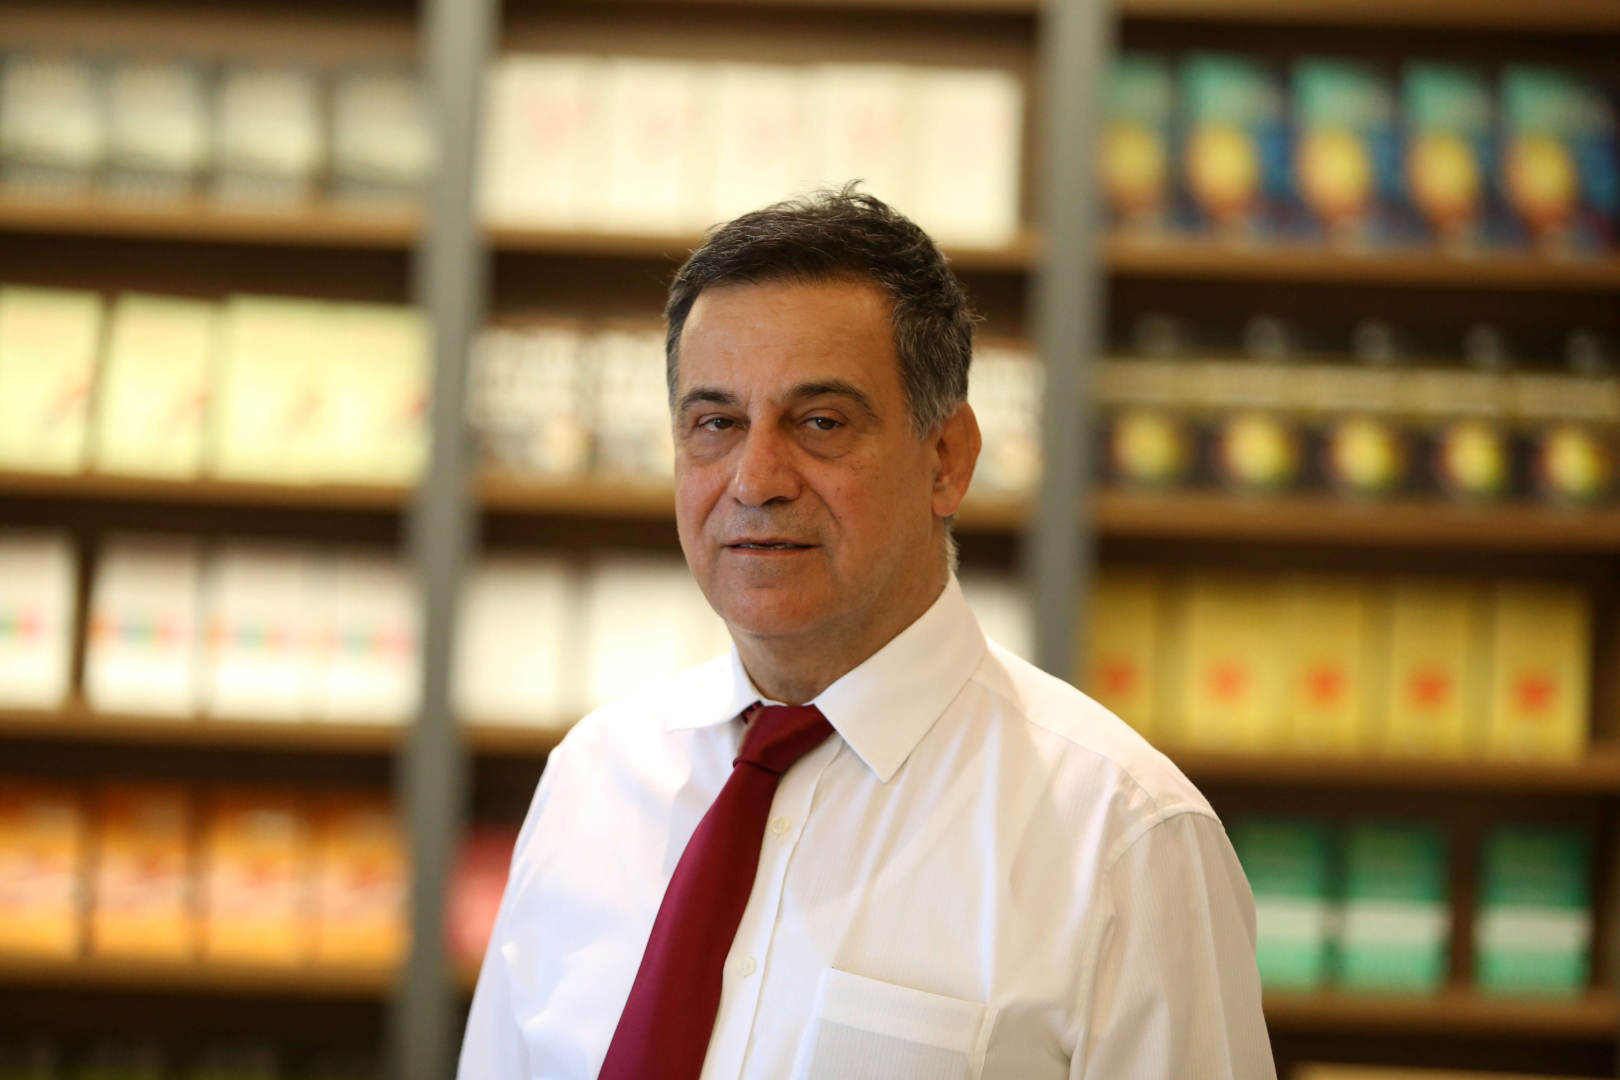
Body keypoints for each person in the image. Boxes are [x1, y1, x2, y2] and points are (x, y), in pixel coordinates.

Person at [459, 188, 1275, 1080]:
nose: (755, 480)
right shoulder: (593, 777)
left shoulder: (1122, 836)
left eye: (821, 423)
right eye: (716, 424)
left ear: (947, 459)